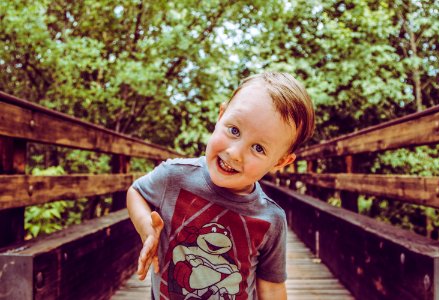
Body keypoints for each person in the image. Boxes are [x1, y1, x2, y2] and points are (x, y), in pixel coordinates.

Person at [127, 71, 315, 300]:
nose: (235, 153)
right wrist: (146, 227)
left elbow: (272, 287)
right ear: (221, 116)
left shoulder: (270, 219)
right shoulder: (174, 176)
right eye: (234, 130)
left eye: (258, 148)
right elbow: (136, 192)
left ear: (280, 162)